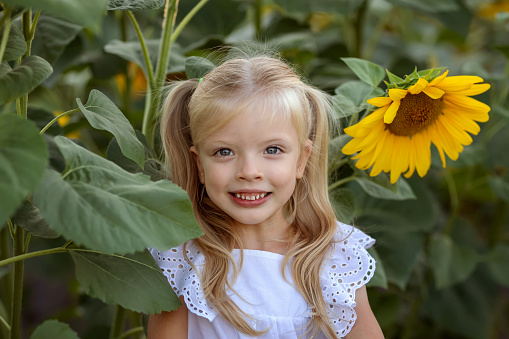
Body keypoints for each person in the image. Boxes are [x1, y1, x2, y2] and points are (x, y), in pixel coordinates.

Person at [148, 53, 384, 339]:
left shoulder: (333, 258)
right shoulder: (182, 259)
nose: (249, 171)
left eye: (272, 150)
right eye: (224, 152)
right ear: (199, 165)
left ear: (301, 160)